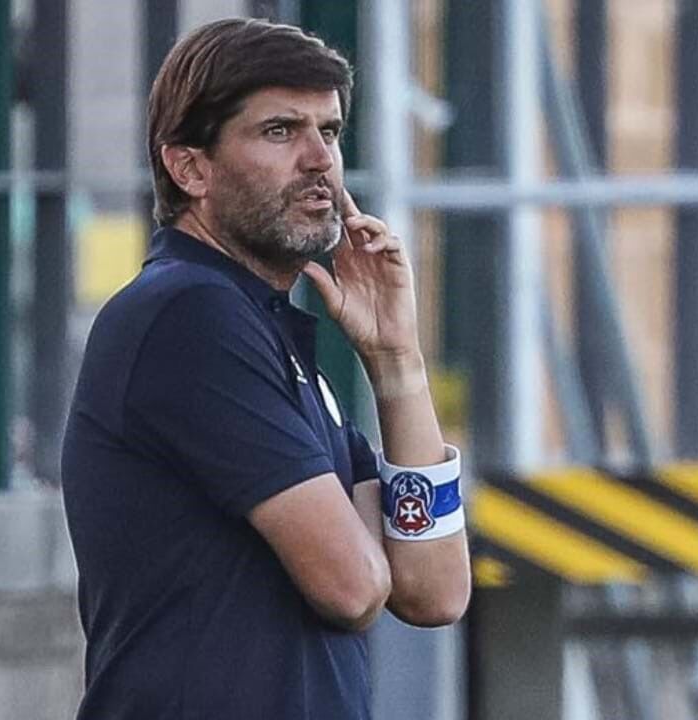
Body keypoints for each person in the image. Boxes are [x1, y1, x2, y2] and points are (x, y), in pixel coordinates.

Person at [61, 18, 471, 720]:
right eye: (281, 131)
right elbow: (353, 588)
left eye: (330, 132)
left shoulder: (263, 329)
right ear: (190, 168)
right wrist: (364, 547)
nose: (320, 161)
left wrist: (396, 362)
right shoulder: (188, 316)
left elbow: (434, 590)